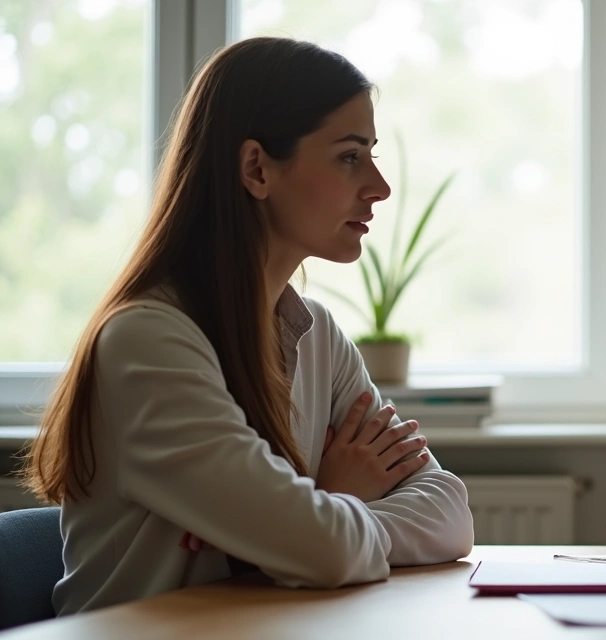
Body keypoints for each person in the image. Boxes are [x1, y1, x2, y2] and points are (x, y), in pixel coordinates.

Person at [20, 37, 475, 615]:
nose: (379, 187)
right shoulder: (148, 341)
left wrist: (316, 519)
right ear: (257, 169)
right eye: (349, 156)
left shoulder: (318, 336)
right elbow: (323, 550)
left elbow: (448, 511)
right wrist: (322, 513)